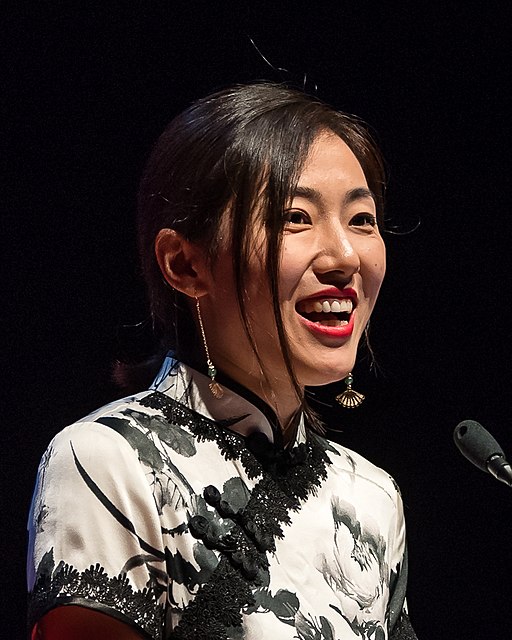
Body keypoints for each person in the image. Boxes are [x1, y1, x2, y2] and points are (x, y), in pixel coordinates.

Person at [27, 82, 418, 640]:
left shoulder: (372, 499)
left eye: (361, 220)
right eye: (295, 218)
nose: (346, 256)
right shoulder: (110, 461)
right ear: (185, 264)